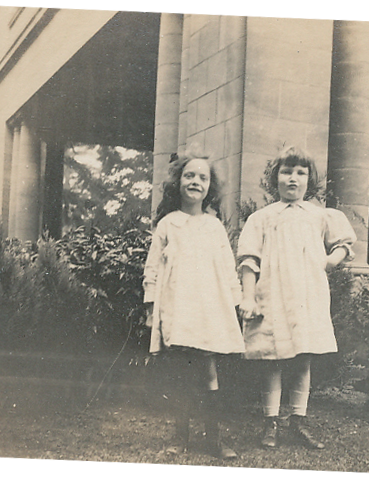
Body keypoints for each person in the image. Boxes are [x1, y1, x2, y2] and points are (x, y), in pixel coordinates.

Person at [237, 146, 357, 450]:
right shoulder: (262, 218)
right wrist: (248, 297)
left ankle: (298, 421)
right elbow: (249, 260)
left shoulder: (319, 217)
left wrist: (331, 260)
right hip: (273, 294)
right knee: (273, 358)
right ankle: (271, 423)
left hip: (307, 295)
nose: (293, 178)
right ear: (275, 178)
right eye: (286, 171)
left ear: (309, 180)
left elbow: (344, 243)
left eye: (301, 173)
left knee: (304, 358)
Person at [143, 151, 244, 459]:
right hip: (177, 307)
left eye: (203, 177)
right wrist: (150, 307)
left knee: (209, 367)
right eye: (190, 175)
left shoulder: (214, 227)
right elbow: (153, 268)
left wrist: (237, 304)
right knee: (180, 372)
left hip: (208, 309)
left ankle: (214, 438)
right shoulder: (168, 225)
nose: (195, 182)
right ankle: (179, 437)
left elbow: (228, 268)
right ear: (178, 182)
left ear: (210, 187)